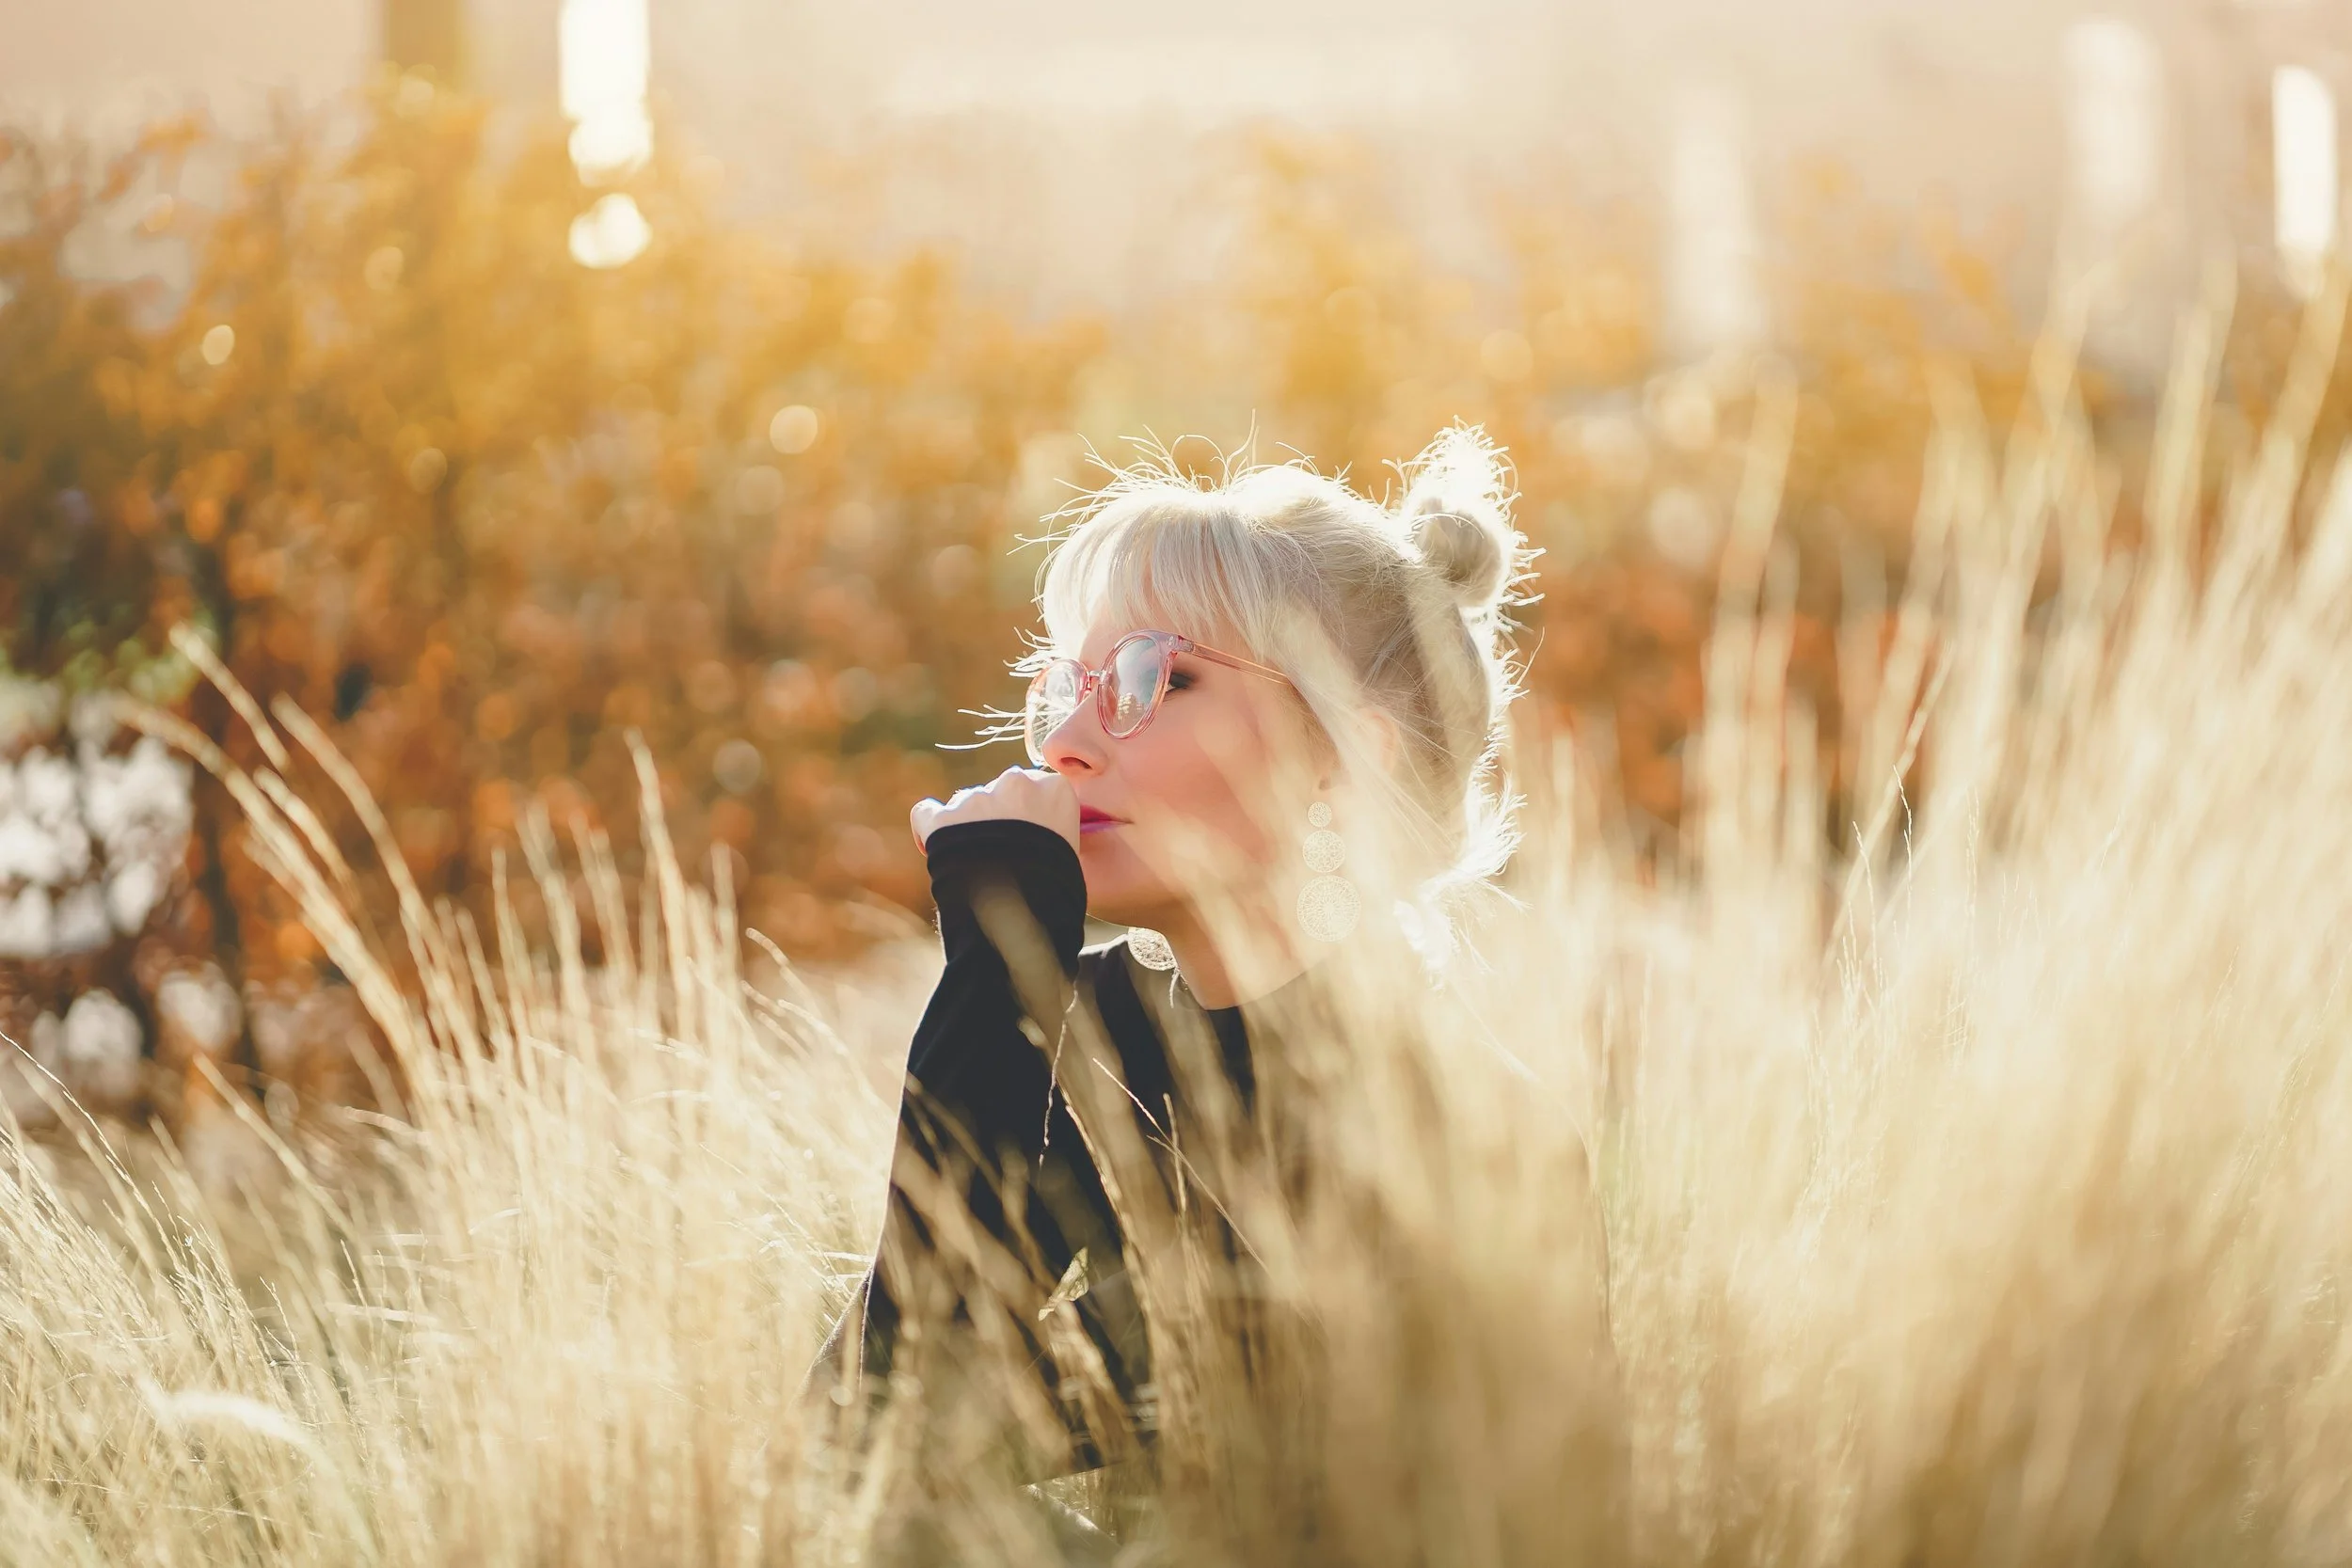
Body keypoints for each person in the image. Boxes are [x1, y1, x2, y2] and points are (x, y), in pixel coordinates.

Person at [823, 426, 1573, 1483]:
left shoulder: (1458, 1128)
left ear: (1340, 752)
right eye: (1066, 685)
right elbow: (851, 1447)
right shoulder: (1080, 1037)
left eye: (1149, 678)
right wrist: (1001, 977)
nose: (1063, 741)